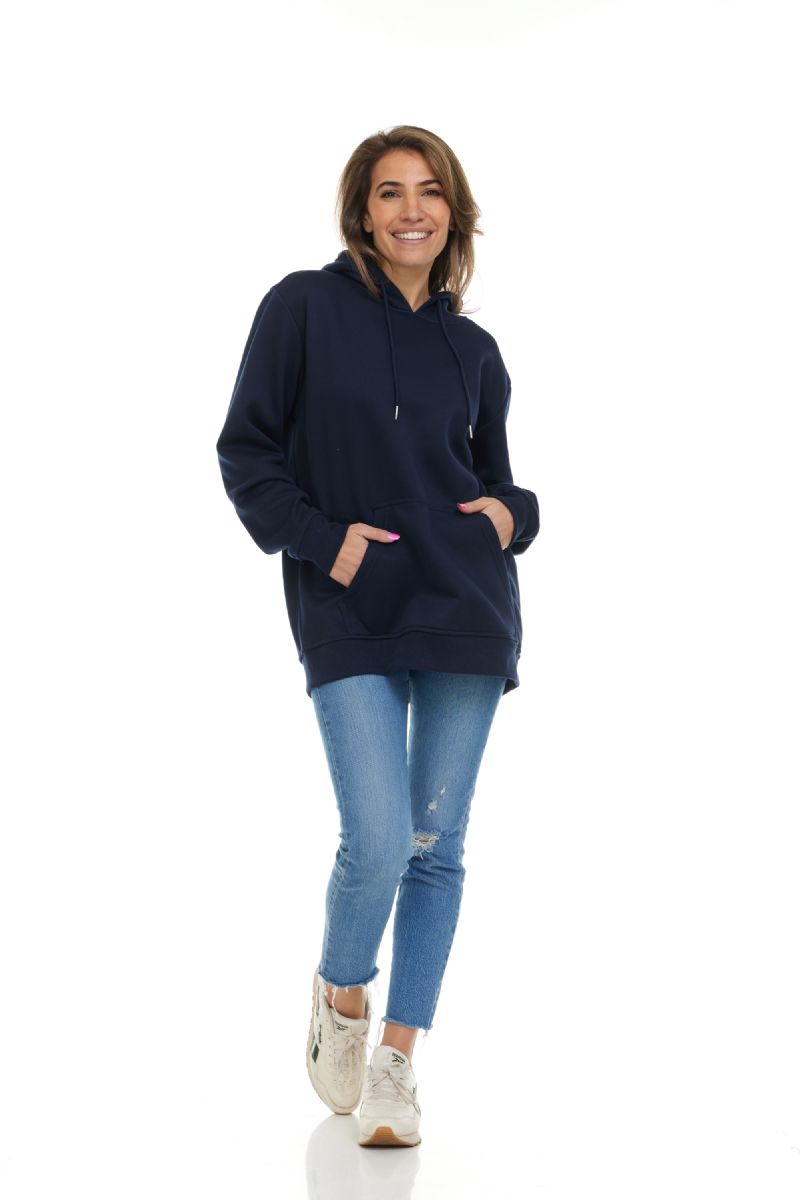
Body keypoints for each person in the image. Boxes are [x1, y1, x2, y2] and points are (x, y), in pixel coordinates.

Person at [215, 125, 540, 1148]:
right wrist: (325, 542)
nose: (411, 210)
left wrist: (514, 515)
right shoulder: (301, 309)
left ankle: (398, 1061)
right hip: (347, 604)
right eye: (390, 192)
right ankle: (342, 993)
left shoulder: (474, 350)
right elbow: (246, 451)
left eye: (429, 191)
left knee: (434, 847)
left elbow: (497, 479)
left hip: (465, 611)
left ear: (453, 212)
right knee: (378, 837)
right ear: (362, 210)